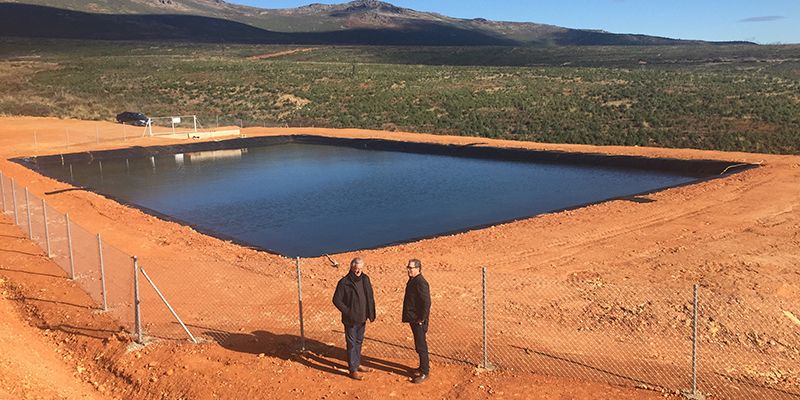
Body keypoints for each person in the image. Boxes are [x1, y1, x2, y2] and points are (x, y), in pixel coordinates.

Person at [332, 257, 376, 380]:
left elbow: (370, 297)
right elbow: (336, 300)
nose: (358, 271)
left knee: (359, 342)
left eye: (360, 269)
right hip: (350, 320)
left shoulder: (365, 279)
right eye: (356, 269)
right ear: (351, 267)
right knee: (351, 343)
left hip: (362, 318)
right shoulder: (344, 282)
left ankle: (357, 364)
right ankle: (353, 369)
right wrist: (348, 312)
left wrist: (370, 313)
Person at [402, 258, 431, 384]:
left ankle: (425, 372)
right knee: (419, 345)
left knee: (421, 346)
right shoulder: (413, 280)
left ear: (418, 268)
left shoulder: (420, 282)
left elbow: (426, 302)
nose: (408, 269)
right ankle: (421, 368)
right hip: (414, 318)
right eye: (408, 267)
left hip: (418, 320)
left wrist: (421, 318)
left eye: (411, 267)